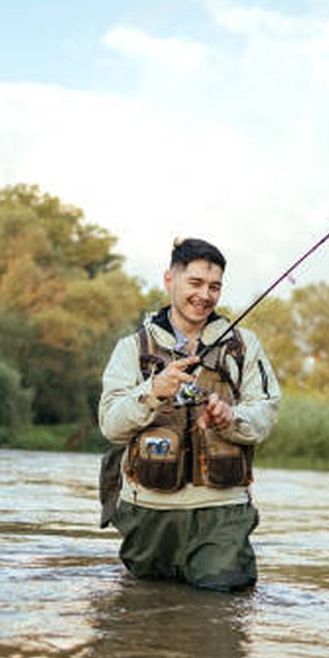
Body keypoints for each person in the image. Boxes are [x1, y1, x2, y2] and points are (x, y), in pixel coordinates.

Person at [98, 237, 281, 591]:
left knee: (221, 616)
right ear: (170, 280)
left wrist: (232, 418)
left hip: (222, 511)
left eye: (214, 287)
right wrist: (152, 392)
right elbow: (111, 426)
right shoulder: (131, 349)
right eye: (195, 283)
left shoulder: (244, 346)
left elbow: (266, 410)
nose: (205, 295)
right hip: (147, 513)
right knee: (142, 614)